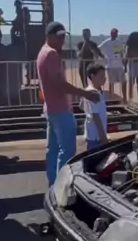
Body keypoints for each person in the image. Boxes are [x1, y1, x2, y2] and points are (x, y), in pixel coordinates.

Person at [36, 22, 100, 186]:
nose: (62, 40)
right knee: (67, 151)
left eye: (64, 36)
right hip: (60, 109)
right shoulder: (51, 54)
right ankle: (61, 186)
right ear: (49, 36)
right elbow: (59, 84)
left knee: (53, 149)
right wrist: (85, 93)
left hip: (51, 108)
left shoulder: (43, 52)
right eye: (59, 36)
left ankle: (53, 183)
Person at [82, 63, 108, 150]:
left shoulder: (91, 90)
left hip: (93, 136)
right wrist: (104, 138)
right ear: (92, 76)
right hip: (96, 138)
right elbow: (96, 117)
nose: (104, 78)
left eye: (104, 76)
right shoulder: (93, 93)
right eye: (101, 76)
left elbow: (81, 106)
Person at [99, 27, 126, 101]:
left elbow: (121, 53)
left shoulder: (119, 42)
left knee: (124, 82)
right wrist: (103, 56)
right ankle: (111, 99)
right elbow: (98, 48)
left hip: (119, 65)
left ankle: (125, 98)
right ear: (111, 34)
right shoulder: (106, 42)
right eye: (113, 33)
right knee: (111, 83)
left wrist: (124, 63)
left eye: (116, 33)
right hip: (110, 66)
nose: (114, 35)